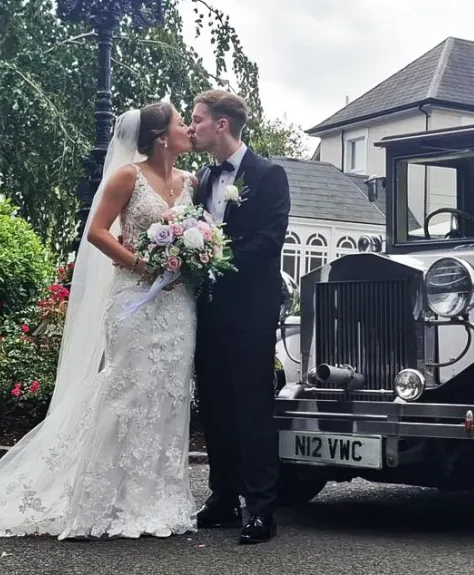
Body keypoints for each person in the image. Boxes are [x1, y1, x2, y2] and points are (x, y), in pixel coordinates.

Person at [0, 102, 200, 541]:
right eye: (182, 123)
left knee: (169, 393)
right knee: (127, 390)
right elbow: (98, 231)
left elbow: (199, 237)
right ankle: (106, 500)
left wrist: (193, 256)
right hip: (133, 301)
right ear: (162, 135)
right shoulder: (129, 175)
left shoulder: (190, 182)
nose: (188, 130)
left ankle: (159, 499)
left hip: (178, 305)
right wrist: (141, 264)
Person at [187, 89, 291, 545]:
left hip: (250, 308)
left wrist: (215, 263)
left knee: (251, 407)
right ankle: (222, 497)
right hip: (206, 309)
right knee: (216, 405)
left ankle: (262, 509)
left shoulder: (270, 175)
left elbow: (269, 241)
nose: (193, 128)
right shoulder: (204, 176)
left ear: (222, 125)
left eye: (198, 120)